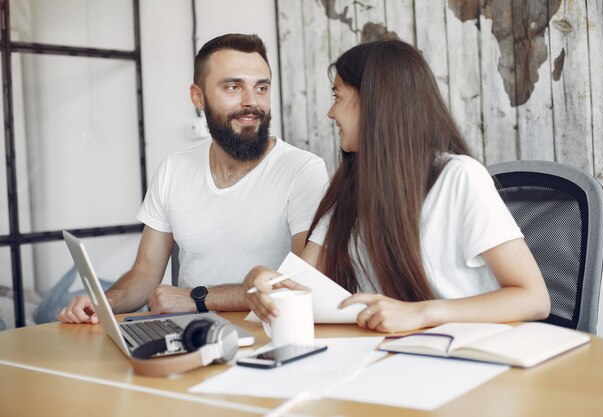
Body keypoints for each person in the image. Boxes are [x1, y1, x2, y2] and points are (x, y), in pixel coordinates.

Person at [244, 39, 550, 333]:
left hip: (469, 359)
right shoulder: (351, 188)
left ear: (375, 103)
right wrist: (263, 280)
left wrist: (421, 313)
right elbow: (300, 283)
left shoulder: (460, 177)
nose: (330, 112)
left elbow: (534, 298)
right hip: (393, 359)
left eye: (337, 97)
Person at [57, 34, 328, 324]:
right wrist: (103, 302)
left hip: (267, 337)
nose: (251, 102)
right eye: (233, 87)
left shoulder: (303, 170)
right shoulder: (174, 170)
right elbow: (146, 273)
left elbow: (302, 282)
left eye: (261, 87)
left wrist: (196, 298)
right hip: (188, 337)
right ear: (197, 96)